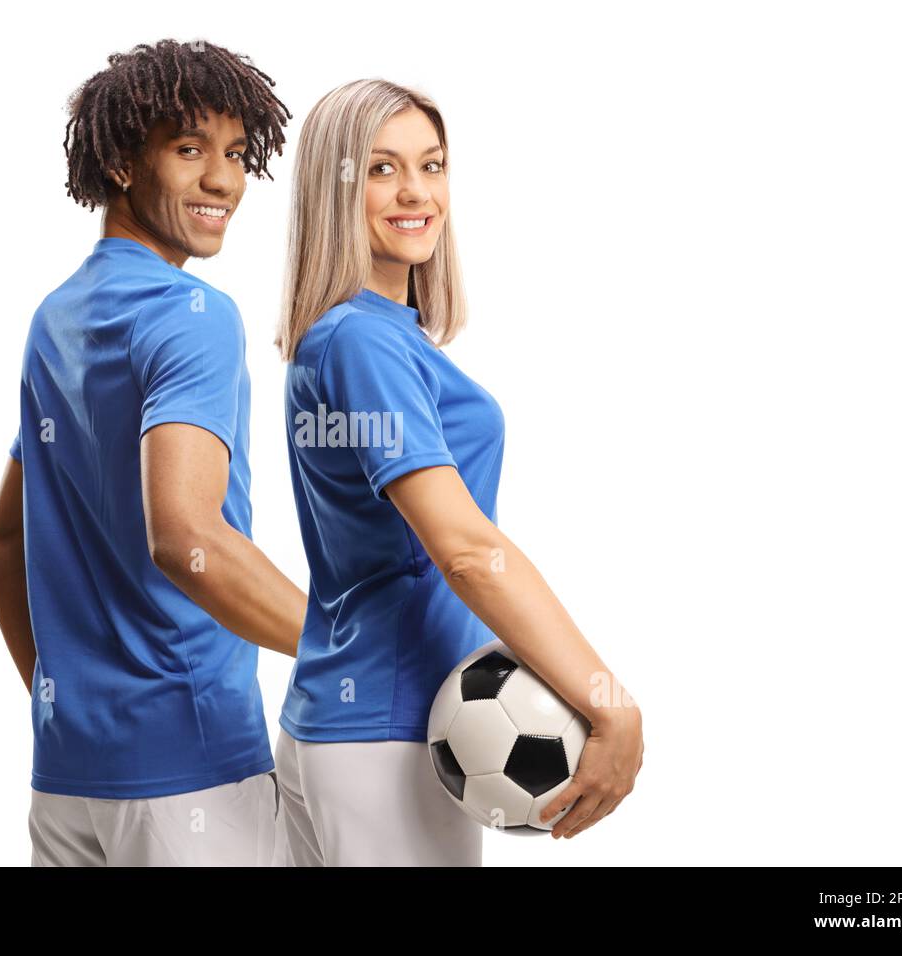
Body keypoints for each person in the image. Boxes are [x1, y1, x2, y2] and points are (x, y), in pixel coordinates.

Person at [271, 79, 645, 866]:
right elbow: (464, 547)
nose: (415, 192)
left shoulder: (359, 338)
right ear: (332, 189)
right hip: (390, 734)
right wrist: (606, 702)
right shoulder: (362, 343)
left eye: (432, 165)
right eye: (379, 170)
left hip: (341, 723)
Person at [0, 39, 305, 866]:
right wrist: (347, 645)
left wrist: (71, 710)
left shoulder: (54, 319)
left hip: (67, 783)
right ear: (123, 161)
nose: (223, 181)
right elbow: (187, 541)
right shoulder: (192, 314)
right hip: (190, 780)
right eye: (189, 150)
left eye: (235, 154)